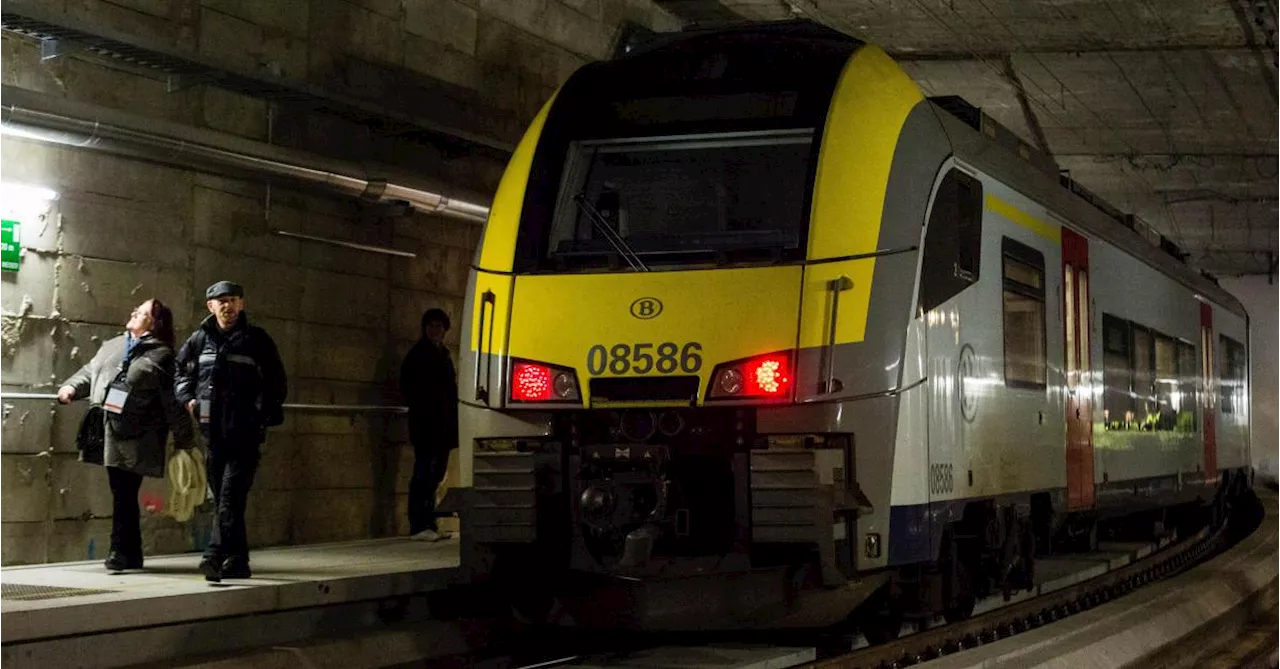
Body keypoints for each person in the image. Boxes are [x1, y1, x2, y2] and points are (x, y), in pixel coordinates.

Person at [58, 299, 194, 572]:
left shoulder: (162, 356)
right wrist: (71, 387)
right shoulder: (112, 346)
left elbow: (172, 401)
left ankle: (120, 551)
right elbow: (90, 371)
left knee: (123, 491)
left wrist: (184, 438)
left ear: (154, 324)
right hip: (108, 432)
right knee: (122, 492)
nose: (133, 313)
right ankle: (130, 553)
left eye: (141, 313)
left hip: (139, 436)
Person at [175, 281, 286, 582]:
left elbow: (277, 383)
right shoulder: (199, 341)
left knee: (228, 498)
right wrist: (189, 401)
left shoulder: (257, 340)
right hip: (213, 435)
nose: (228, 306)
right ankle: (238, 561)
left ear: (242, 304)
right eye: (221, 301)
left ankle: (213, 554)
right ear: (210, 306)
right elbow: (182, 374)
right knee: (227, 499)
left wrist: (259, 415)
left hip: (245, 435)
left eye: (233, 300)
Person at [400, 308, 459, 541]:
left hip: (442, 425)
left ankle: (430, 522)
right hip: (426, 423)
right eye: (431, 326)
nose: (435, 331)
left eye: (438, 327)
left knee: (435, 474)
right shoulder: (419, 355)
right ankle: (419, 524)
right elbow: (410, 387)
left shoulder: (443, 354)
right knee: (424, 473)